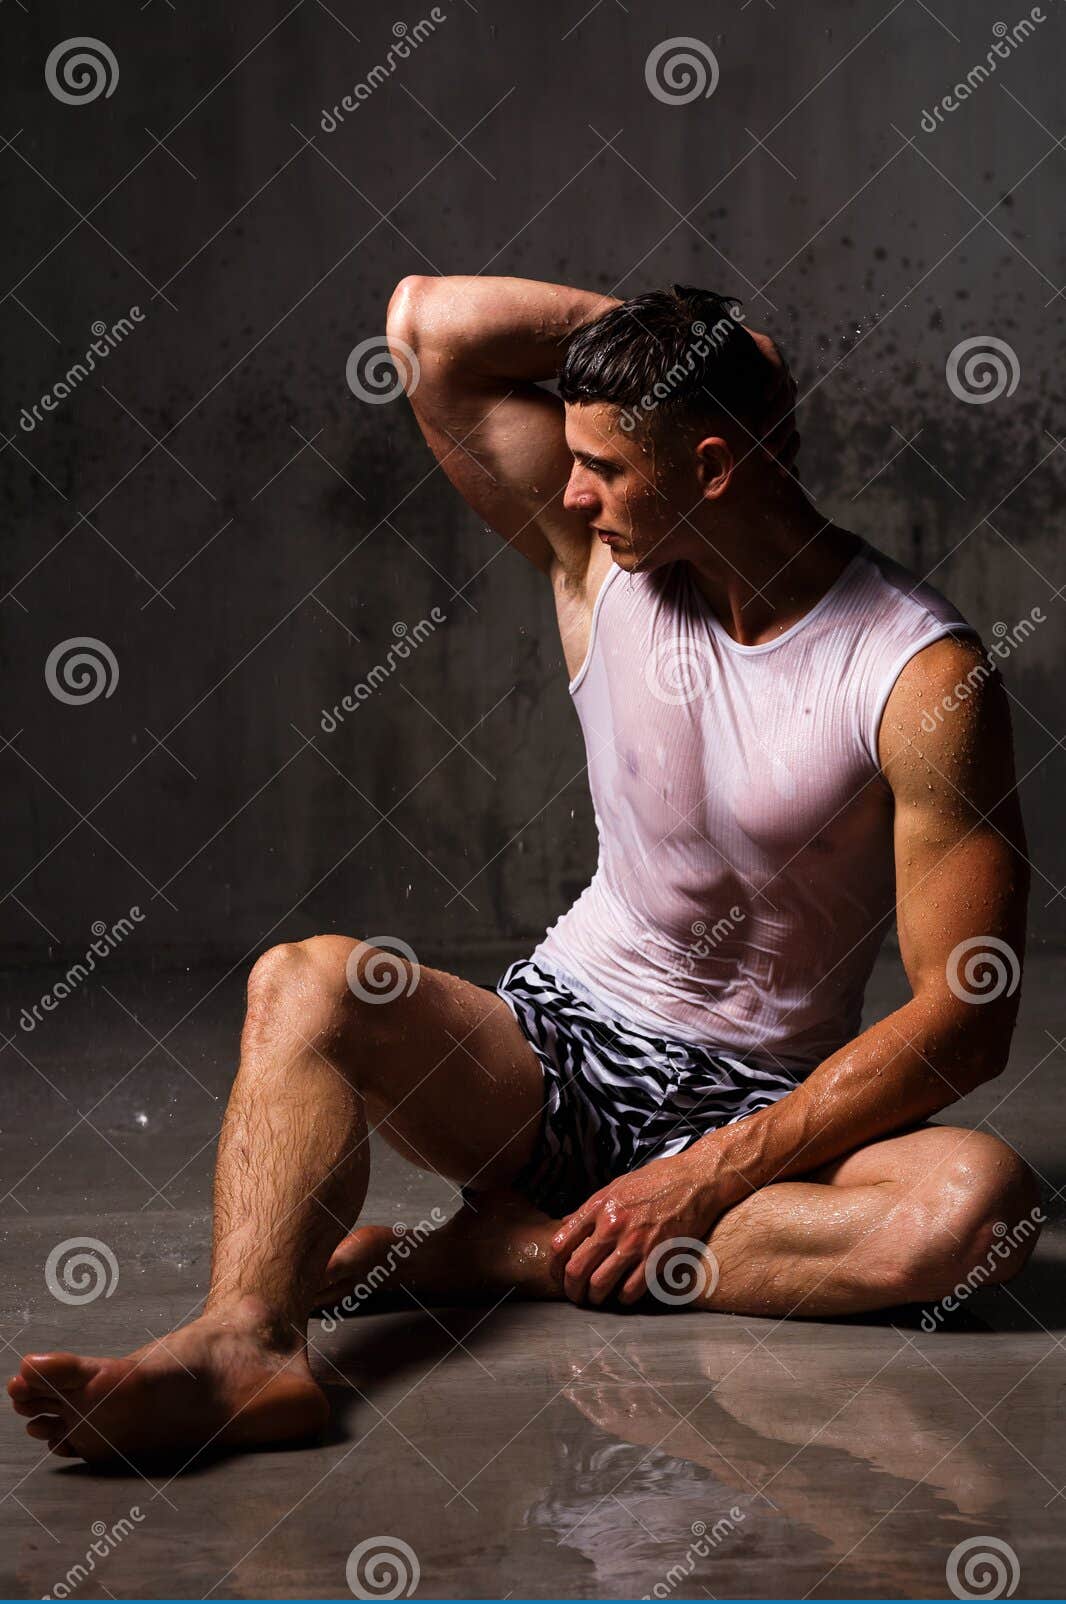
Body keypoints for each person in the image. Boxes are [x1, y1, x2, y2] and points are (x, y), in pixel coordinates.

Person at [7, 277, 1041, 1465]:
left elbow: (968, 1014)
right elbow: (427, 324)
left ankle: (511, 1253)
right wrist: (716, 354)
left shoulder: (916, 673)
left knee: (975, 1216)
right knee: (308, 981)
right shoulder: (597, 564)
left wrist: (705, 1176)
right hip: (554, 1057)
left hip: (764, 1102)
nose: (569, 490)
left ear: (712, 466)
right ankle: (248, 1343)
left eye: (603, 465)